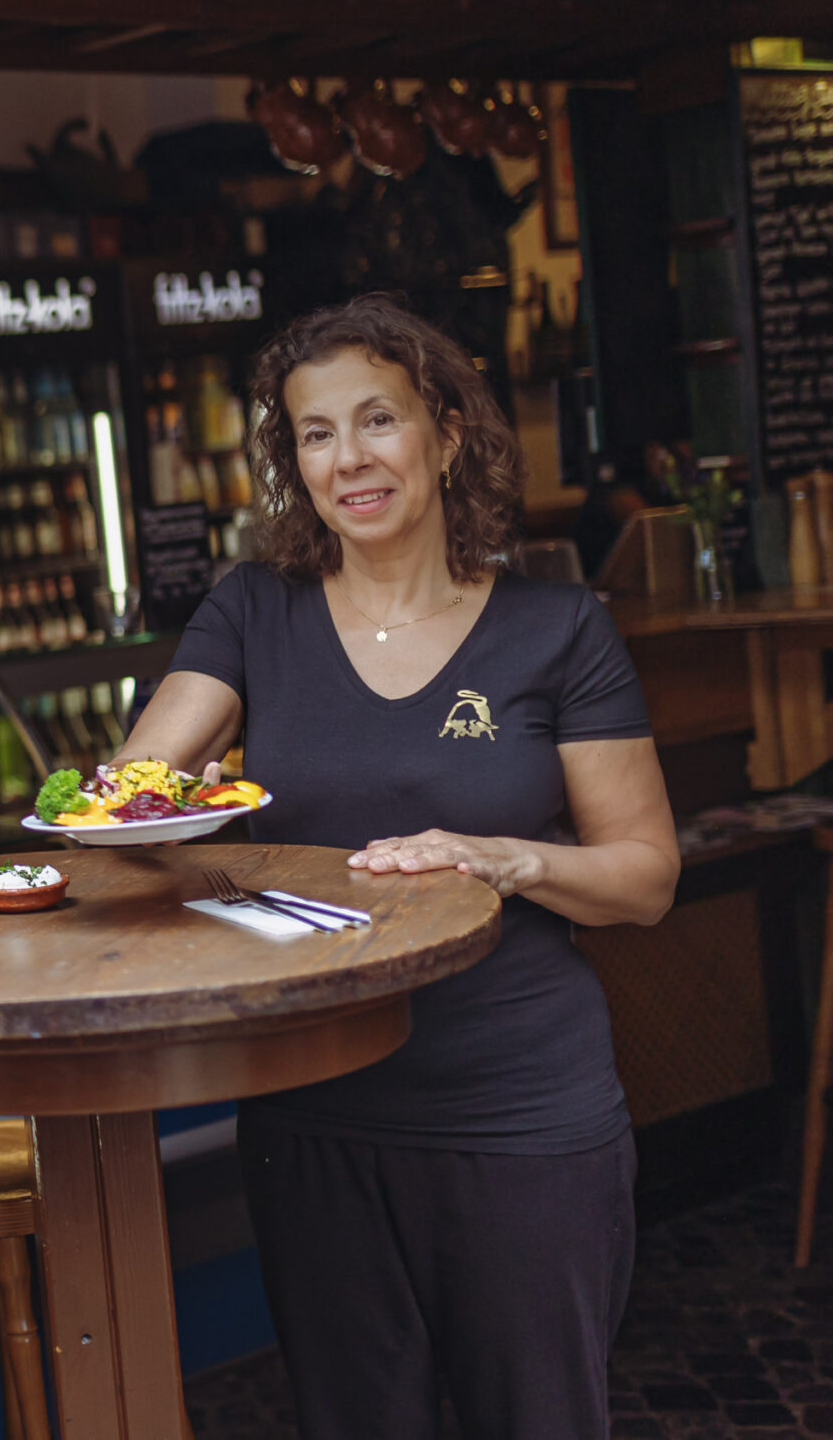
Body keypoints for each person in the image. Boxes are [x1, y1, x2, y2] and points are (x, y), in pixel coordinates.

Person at [116, 293, 677, 1440]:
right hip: (313, 1103)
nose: (348, 458)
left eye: (378, 420)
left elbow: (644, 876)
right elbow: (136, 792)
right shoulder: (251, 612)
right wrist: (148, 802)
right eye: (314, 434)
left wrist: (504, 856)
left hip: (516, 1105)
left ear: (447, 433)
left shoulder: (556, 628)